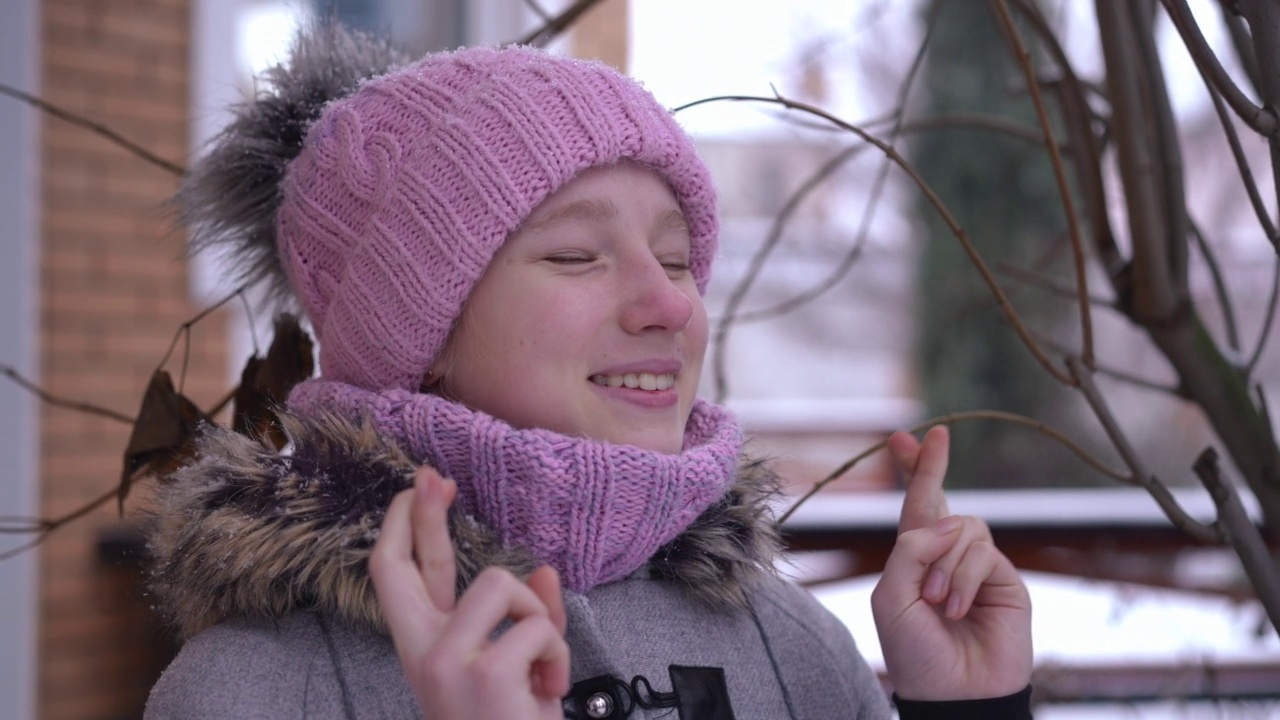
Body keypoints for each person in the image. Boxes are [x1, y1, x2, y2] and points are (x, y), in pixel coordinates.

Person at [143, 22, 1033, 720]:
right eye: (576, 255)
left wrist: (967, 711)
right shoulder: (259, 690)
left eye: (680, 260)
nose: (671, 305)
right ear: (423, 336)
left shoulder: (795, 649)